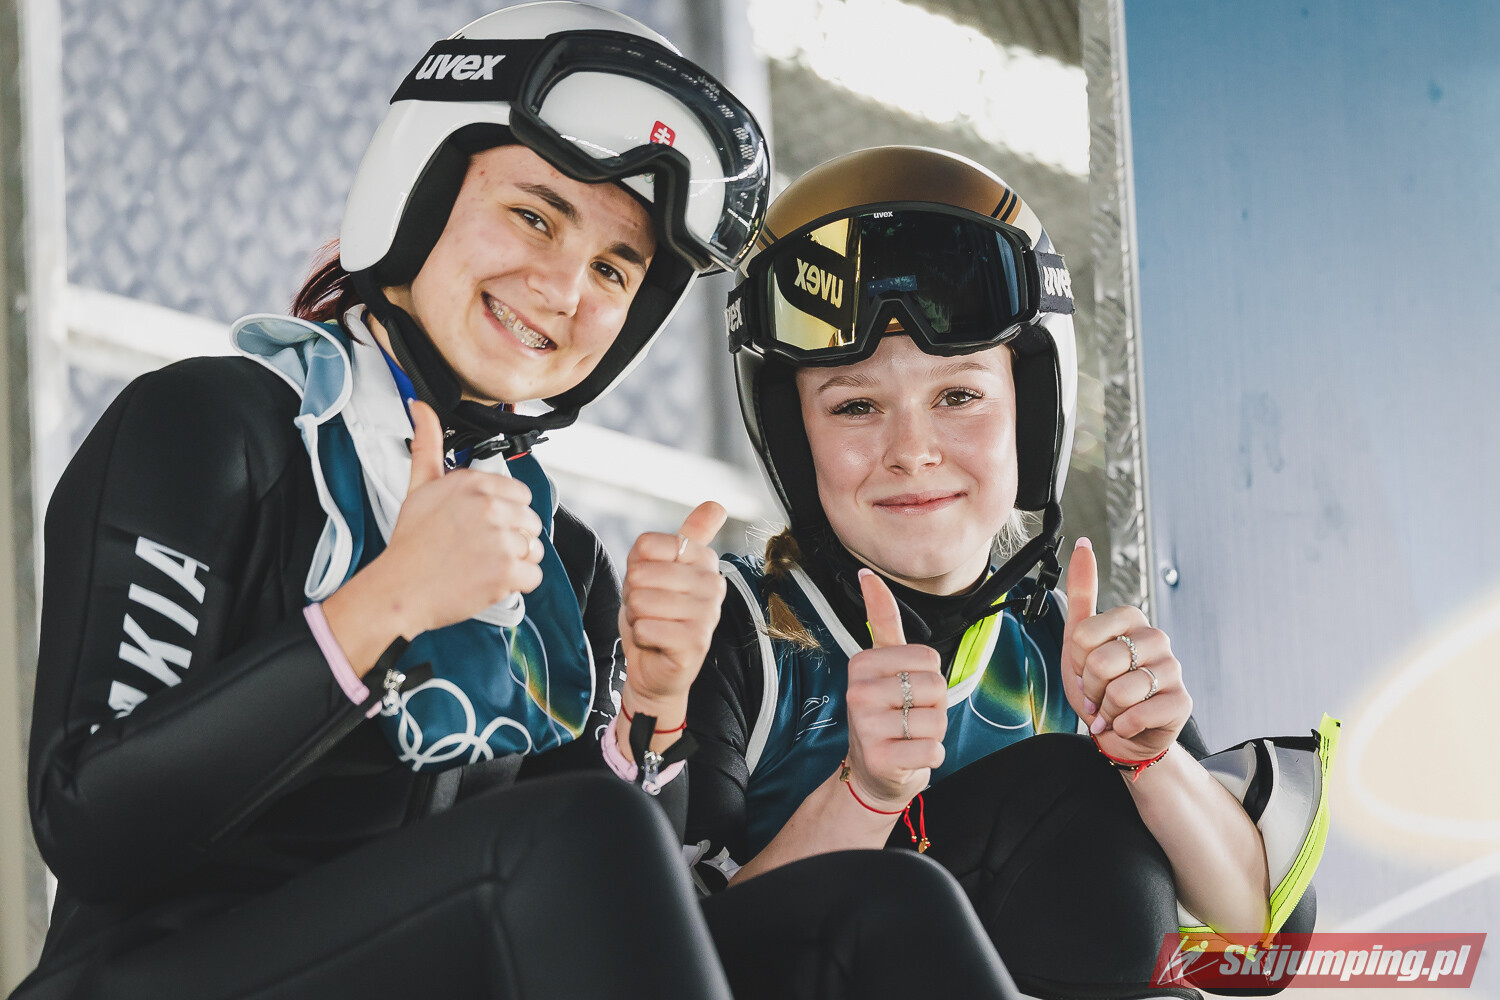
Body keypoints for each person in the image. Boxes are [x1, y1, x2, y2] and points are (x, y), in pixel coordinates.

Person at [15, 10, 1023, 999]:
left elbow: (622, 910)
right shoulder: (215, 426)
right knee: (582, 836)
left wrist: (653, 707)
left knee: (883, 905)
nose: (563, 289)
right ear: (417, 189)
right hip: (149, 972)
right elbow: (89, 819)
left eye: (614, 268)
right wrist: (386, 605)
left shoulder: (559, 563)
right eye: (535, 216)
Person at [686, 146, 1338, 999]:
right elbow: (664, 959)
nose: (913, 451)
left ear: (1031, 414)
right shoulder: (727, 628)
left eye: (958, 396)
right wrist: (865, 794)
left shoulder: (1065, 646)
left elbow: (1257, 947)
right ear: (791, 434)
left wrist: (1150, 762)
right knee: (1065, 789)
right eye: (856, 405)